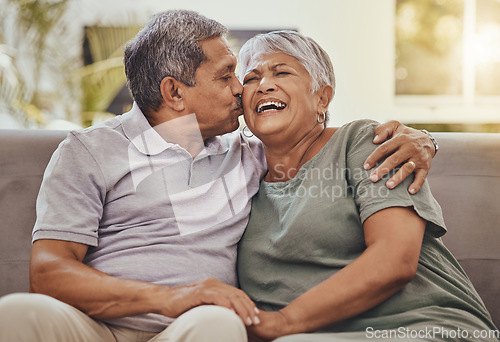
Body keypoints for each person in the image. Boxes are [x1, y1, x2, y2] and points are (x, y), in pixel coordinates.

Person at [0, 10, 437, 342]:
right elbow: (50, 271)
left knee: (216, 323)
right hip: (93, 326)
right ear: (173, 92)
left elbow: (318, 141)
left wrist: (422, 138)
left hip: (193, 328)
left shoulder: (245, 151)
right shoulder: (88, 152)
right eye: (228, 76)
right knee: (16, 313)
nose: (240, 90)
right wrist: (172, 296)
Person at [236, 30, 499, 342]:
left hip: (426, 326)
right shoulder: (239, 176)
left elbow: (395, 259)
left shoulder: (362, 141)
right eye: (251, 78)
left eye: (282, 72)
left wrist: (283, 322)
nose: (264, 84)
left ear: (322, 97)